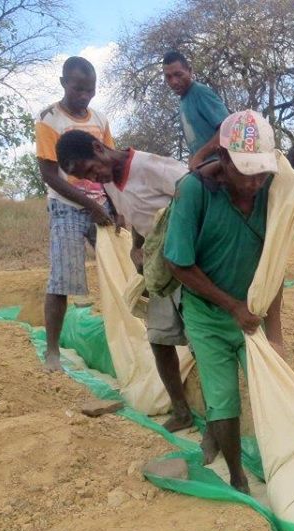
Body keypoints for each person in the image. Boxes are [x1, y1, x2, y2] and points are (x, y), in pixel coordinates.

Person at [163, 109, 284, 494]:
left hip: (254, 312)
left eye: (261, 173)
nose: (254, 182)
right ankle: (236, 475)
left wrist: (275, 333)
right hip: (210, 315)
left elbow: (276, 259)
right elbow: (179, 263)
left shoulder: (274, 189)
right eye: (245, 172)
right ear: (225, 160)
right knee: (223, 400)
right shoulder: (194, 192)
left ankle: (280, 465)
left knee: (273, 389)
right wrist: (232, 307)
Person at [54, 129, 195, 431]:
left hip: (190, 263)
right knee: (158, 338)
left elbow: (197, 198)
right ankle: (182, 411)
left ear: (98, 148)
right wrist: (136, 247)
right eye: (86, 177)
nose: (94, 177)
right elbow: (144, 218)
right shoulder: (110, 182)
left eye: (91, 168)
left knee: (199, 342)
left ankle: (217, 424)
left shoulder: (152, 167)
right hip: (160, 267)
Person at [35, 56, 115, 372]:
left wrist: (111, 206)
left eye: (90, 89)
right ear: (64, 83)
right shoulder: (49, 120)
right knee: (62, 280)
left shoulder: (100, 119)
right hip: (67, 207)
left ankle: (128, 334)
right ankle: (52, 351)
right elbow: (50, 174)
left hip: (102, 206)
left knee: (121, 272)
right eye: (78, 88)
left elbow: (109, 164)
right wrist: (91, 205)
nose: (84, 95)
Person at [162, 50, 229, 170]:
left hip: (222, 166)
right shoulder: (183, 101)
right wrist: (192, 158)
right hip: (203, 168)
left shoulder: (200, 92)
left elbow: (228, 129)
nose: (174, 81)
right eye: (168, 77)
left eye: (178, 74)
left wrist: (199, 156)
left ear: (190, 71)